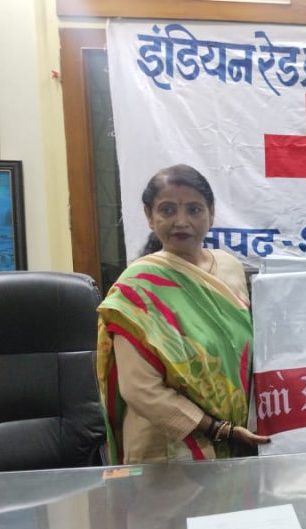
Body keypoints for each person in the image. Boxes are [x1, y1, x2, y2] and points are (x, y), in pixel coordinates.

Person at [97, 164, 270, 464]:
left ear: (211, 214)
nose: (181, 221)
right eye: (167, 210)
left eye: (194, 209)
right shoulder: (136, 288)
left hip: (238, 437)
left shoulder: (229, 267)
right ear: (149, 216)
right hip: (168, 448)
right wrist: (217, 429)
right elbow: (140, 390)